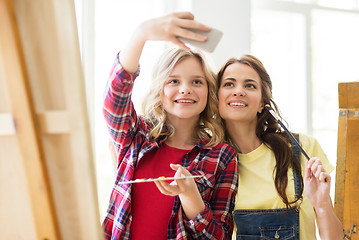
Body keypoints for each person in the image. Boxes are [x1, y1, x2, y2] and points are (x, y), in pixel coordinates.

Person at [102, 12, 238, 240]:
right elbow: (114, 100)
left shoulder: (222, 156)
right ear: (160, 89)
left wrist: (191, 197)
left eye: (197, 81)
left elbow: (220, 236)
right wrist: (141, 34)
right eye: (174, 81)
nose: (185, 89)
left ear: (209, 91)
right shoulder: (136, 136)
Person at [216, 55, 343, 240]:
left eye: (250, 85)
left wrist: (322, 205)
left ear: (262, 103)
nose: (238, 91)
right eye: (229, 84)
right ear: (217, 97)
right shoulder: (210, 162)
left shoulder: (303, 147)